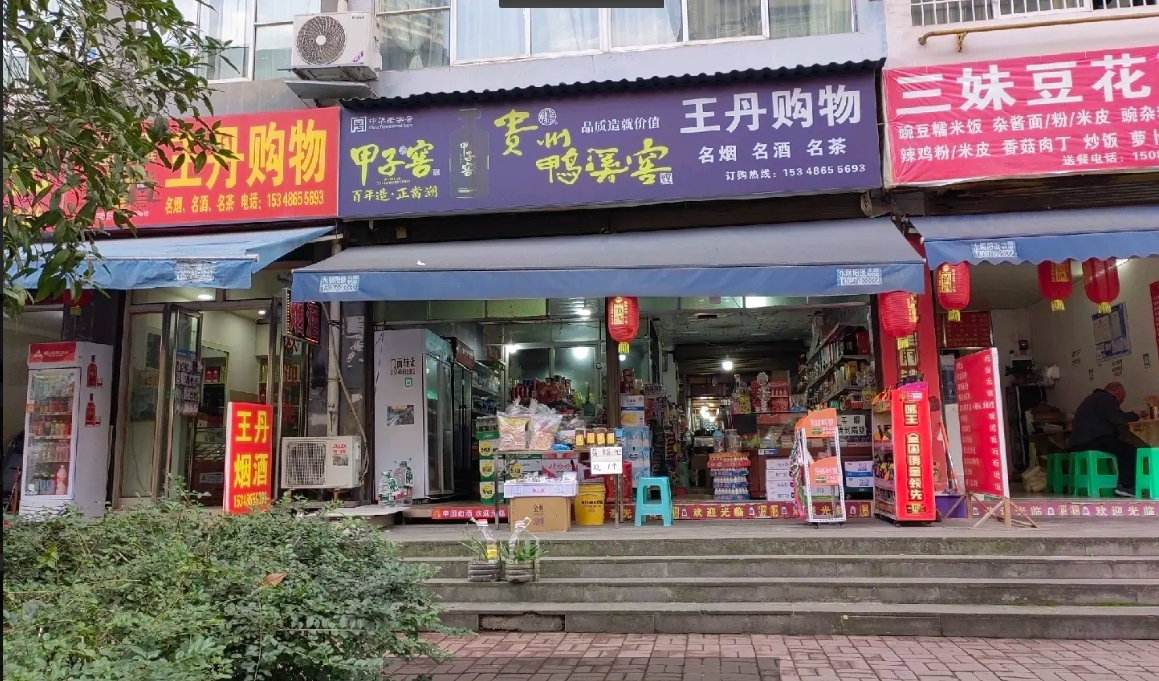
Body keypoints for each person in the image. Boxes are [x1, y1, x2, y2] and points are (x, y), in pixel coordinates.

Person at [1070, 382, 1144, 497]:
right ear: (1117, 394)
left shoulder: (1093, 398)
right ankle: (1126, 486)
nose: (1119, 404)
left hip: (1079, 442)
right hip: (1093, 439)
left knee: (1120, 447)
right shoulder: (1106, 398)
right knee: (1130, 451)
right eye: (1121, 401)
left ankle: (1122, 485)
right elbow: (1118, 418)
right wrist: (1135, 415)